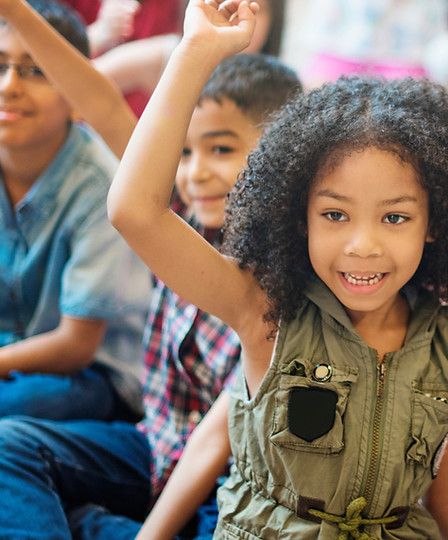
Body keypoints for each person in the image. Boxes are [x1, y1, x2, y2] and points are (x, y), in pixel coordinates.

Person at [108, 1, 448, 538]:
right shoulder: (265, 313)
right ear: (297, 218)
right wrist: (195, 52)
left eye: (395, 217)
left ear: (436, 222)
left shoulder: (447, 341)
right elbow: (134, 211)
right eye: (334, 214)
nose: (363, 246)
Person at [0, 2, 303, 538]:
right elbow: (100, 103)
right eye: (184, 152)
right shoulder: (180, 222)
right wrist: (17, 13)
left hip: (231, 480)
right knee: (10, 448)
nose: (195, 172)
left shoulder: (291, 272)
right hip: (155, 446)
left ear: (282, 158)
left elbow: (222, 441)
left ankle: (96, 527)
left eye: (221, 148)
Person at [0, 0, 151, 423]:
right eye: (0, 66)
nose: (9, 86)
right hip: (10, 356)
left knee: (12, 411)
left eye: (34, 71)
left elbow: (76, 344)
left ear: (75, 91)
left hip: (91, 375)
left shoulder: (103, 184)